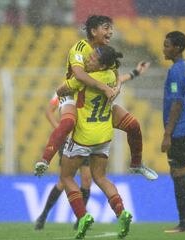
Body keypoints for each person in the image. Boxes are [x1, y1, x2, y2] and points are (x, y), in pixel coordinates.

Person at [35, 15, 158, 181]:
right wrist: (104, 87)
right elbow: (78, 75)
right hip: (71, 93)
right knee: (68, 123)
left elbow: (116, 77)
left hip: (93, 99)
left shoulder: (105, 53)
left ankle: (136, 164)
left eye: (111, 28)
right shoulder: (79, 48)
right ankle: (45, 160)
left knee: (134, 125)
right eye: (106, 28)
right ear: (93, 31)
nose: (111, 32)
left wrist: (117, 88)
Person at [56, 45, 132, 239]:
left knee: (66, 177)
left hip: (83, 136)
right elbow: (117, 80)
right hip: (104, 136)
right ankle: (121, 212)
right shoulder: (111, 77)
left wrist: (68, 85)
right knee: (100, 177)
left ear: (102, 64)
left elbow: (61, 90)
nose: (88, 59)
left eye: (93, 59)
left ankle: (82, 216)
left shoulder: (84, 80)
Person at [160, 31, 185, 233]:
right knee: (178, 173)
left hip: (181, 128)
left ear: (177, 48)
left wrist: (167, 134)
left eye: (167, 45)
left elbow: (176, 102)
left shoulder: (176, 70)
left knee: (179, 174)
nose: (164, 48)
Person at [34, 94, 92, 230]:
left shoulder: (86, 90)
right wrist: (61, 130)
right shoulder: (63, 91)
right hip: (68, 142)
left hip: (84, 140)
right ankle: (43, 216)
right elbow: (49, 111)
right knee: (64, 181)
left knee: (87, 179)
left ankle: (80, 219)